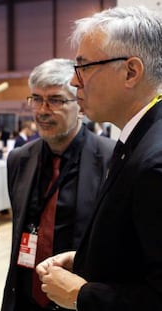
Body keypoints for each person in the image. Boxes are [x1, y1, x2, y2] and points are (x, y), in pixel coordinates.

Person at [36, 6, 162, 311]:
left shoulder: (154, 161)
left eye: (84, 67)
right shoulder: (138, 138)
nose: (75, 82)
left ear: (131, 72)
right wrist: (85, 260)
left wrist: (83, 296)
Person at [1, 58, 115, 311]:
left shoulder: (111, 158)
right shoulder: (20, 159)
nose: (42, 110)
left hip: (79, 297)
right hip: (25, 295)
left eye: (55, 100)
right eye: (36, 99)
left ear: (80, 105)